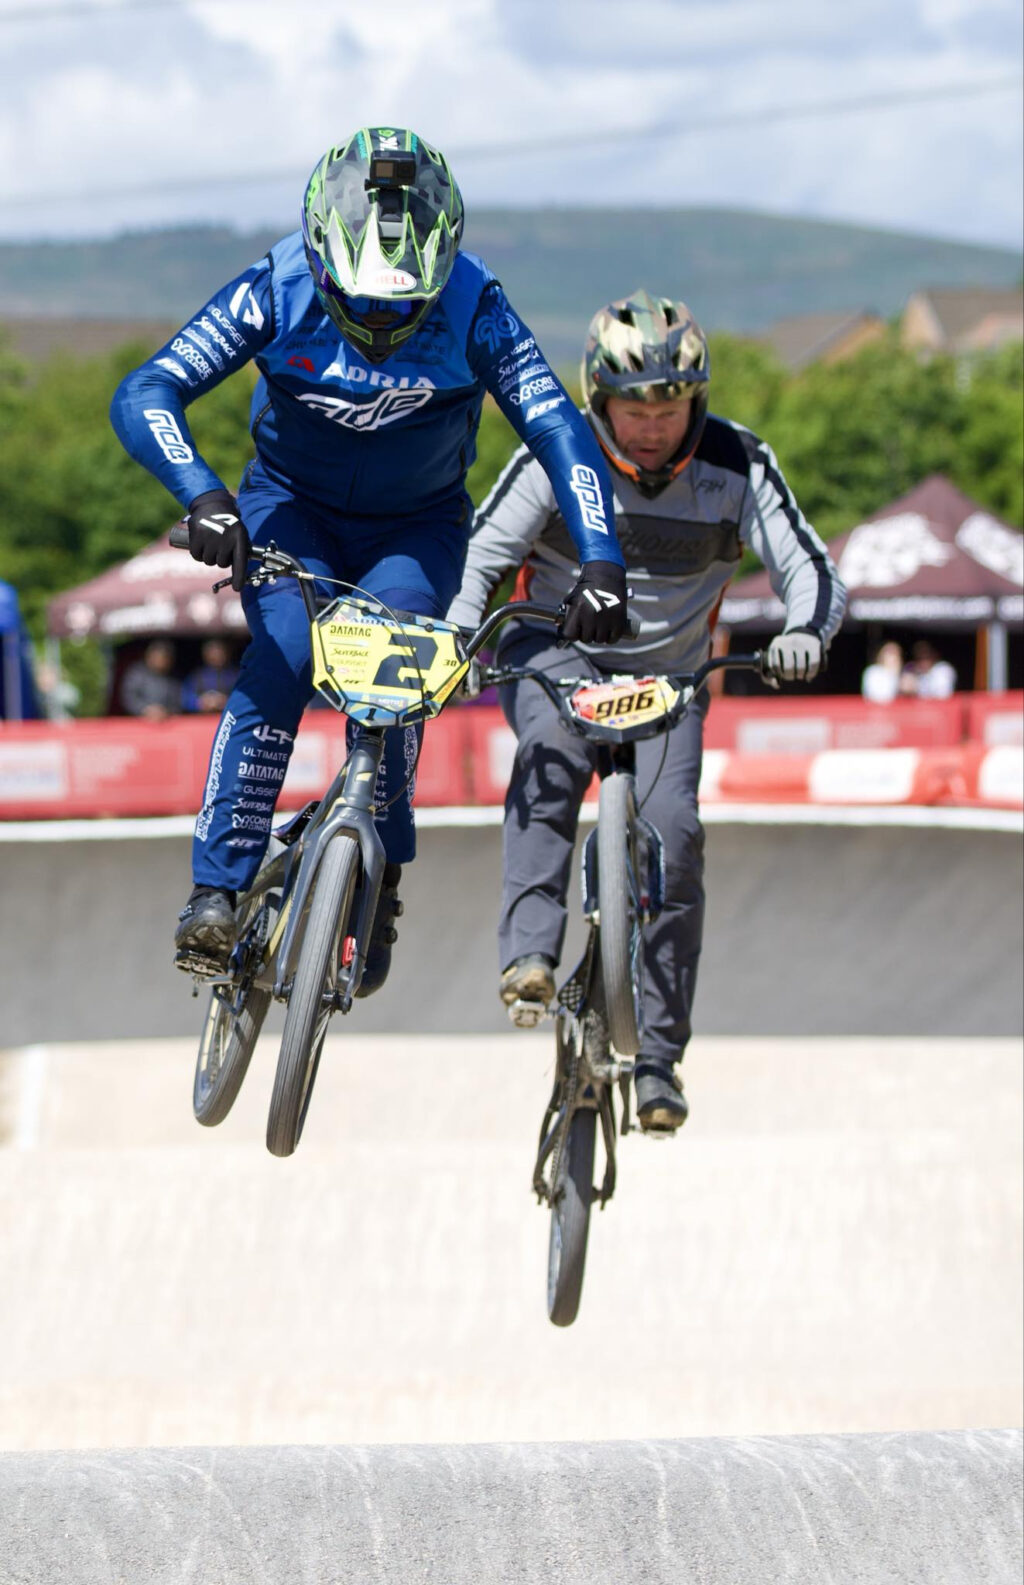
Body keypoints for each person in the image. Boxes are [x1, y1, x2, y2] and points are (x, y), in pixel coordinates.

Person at [110, 127, 627, 981]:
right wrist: (203, 495)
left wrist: (602, 558)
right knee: (282, 658)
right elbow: (147, 389)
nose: (381, 326)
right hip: (289, 511)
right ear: (321, 258)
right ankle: (215, 889)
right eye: (361, 305)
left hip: (413, 528)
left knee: (393, 683)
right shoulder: (278, 285)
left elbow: (560, 431)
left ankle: (380, 875)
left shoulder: (475, 303)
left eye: (402, 307)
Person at [447, 289, 847, 1132]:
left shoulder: (738, 464)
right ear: (599, 400)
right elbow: (479, 555)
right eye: (634, 410)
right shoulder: (557, 447)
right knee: (551, 752)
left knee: (677, 834)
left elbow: (808, 566)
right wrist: (456, 634)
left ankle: (660, 1057)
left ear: (696, 400)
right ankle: (529, 955)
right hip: (556, 652)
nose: (652, 427)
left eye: (670, 408)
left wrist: (805, 631)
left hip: (671, 680)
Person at [120, 639, 182, 720]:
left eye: (165, 658)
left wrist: (165, 711)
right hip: (136, 721)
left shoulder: (174, 678)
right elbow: (128, 698)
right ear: (149, 656)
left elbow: (177, 702)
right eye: (157, 657)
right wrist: (145, 709)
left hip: (166, 721)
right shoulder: (136, 673)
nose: (160, 661)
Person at [182, 638, 240, 715]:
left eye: (220, 653)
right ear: (205, 655)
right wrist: (201, 702)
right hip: (203, 718)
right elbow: (185, 699)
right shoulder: (197, 676)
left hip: (228, 717)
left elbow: (243, 698)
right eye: (213, 653)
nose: (217, 656)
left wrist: (226, 701)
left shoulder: (234, 675)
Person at [861, 640, 904, 704]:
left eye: (896, 654)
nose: (893, 657)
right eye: (890, 653)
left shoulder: (901, 673)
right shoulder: (873, 671)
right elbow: (876, 695)